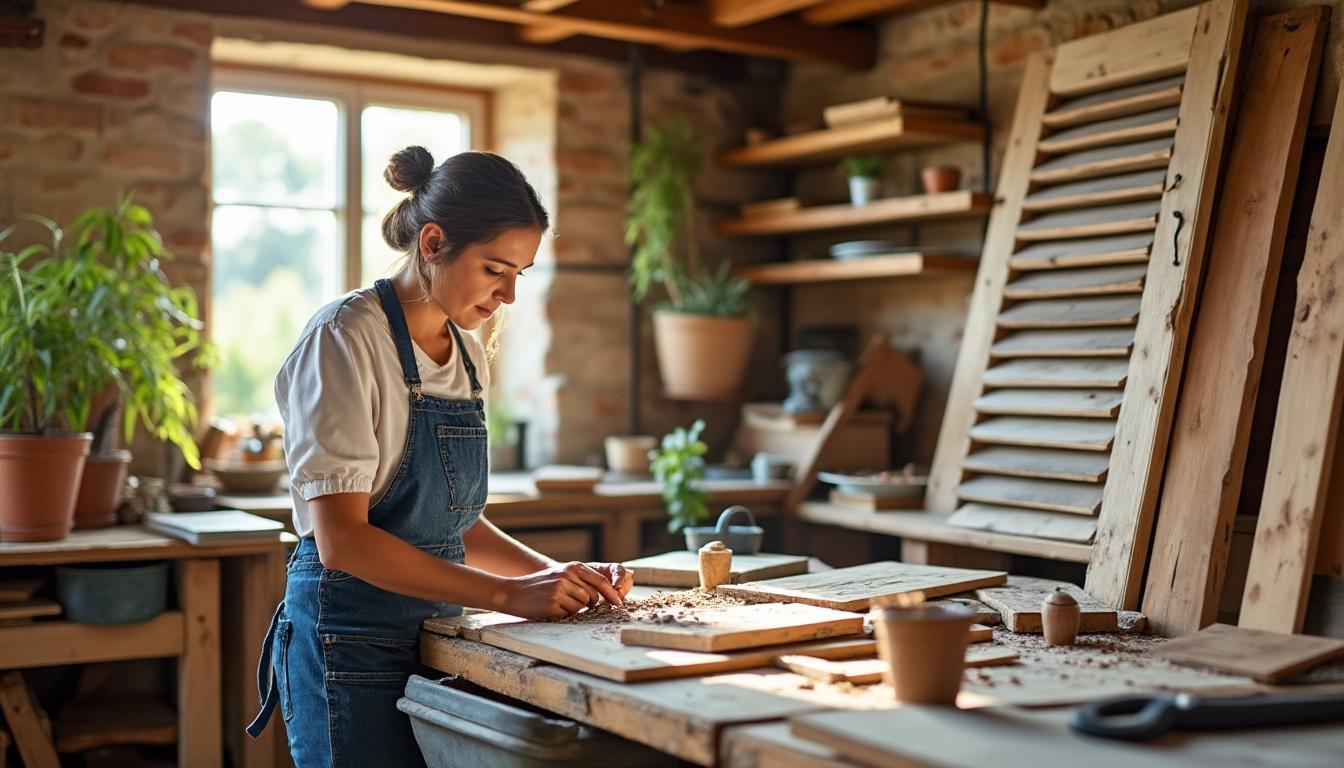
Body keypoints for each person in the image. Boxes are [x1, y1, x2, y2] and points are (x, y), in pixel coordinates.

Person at [246, 148, 633, 767]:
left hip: (436, 634)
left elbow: (450, 524)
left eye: (519, 274)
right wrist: (509, 598)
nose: (506, 295)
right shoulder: (344, 339)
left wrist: (558, 577)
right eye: (494, 270)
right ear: (432, 242)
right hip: (350, 638)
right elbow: (344, 539)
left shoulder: (466, 351)